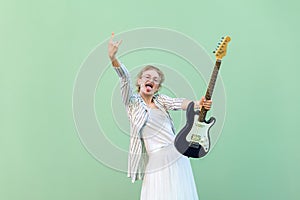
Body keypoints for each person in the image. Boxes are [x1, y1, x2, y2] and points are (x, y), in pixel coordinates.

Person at [108, 32, 212, 200]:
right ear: (140, 81)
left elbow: (179, 103)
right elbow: (125, 78)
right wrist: (113, 57)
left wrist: (198, 104)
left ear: (157, 87)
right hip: (156, 160)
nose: (151, 80)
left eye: (155, 80)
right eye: (147, 77)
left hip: (177, 154)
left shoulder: (162, 100)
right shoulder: (132, 103)